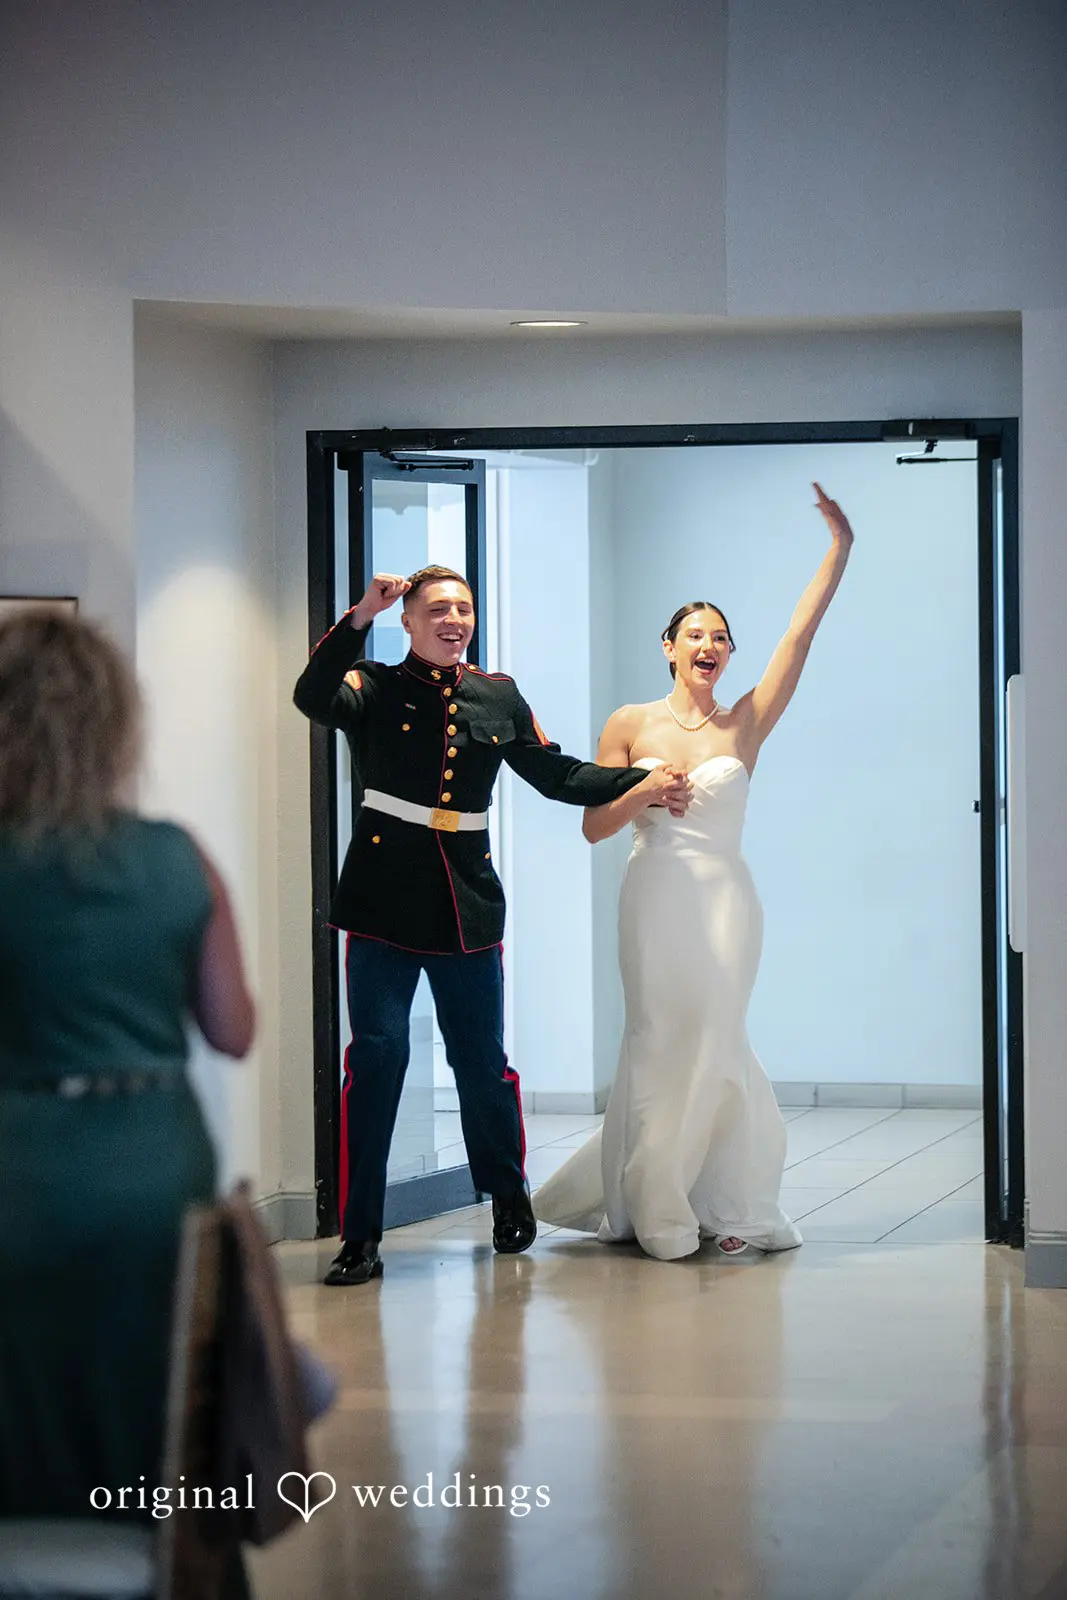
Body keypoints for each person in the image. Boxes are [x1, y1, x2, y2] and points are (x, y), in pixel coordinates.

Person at [293, 565, 690, 1287]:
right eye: (437, 609)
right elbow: (310, 697)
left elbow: (555, 773)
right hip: (380, 903)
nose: (453, 620)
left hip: (464, 903)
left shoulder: (495, 695)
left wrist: (641, 783)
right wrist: (357, 618)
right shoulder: (373, 685)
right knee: (375, 1066)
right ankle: (360, 1235)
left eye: (463, 609)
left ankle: (508, 1195)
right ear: (407, 620)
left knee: (481, 1064)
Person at [532, 483, 854, 1260]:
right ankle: (653, 1201)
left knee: (716, 1035)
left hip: (725, 900)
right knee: (657, 1037)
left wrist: (838, 549)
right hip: (654, 894)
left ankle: (727, 1200)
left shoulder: (744, 721)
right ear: (669, 646)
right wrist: (643, 788)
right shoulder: (628, 724)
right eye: (694, 634)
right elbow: (591, 827)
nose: (708, 645)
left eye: (720, 637)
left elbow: (798, 639)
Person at [0, 610, 256, 1519]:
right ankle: (167, 1543)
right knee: (156, 1381)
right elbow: (233, 1029)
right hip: (154, 1153)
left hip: (20, 1156)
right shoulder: (175, 856)